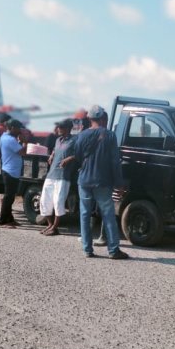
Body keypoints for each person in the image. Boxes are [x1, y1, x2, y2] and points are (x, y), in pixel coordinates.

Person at [73, 105, 128, 259]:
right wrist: (119, 183)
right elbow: (115, 162)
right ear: (103, 118)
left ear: (89, 119)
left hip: (84, 180)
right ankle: (113, 250)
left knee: (84, 214)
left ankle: (87, 249)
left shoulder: (81, 135)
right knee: (108, 215)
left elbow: (77, 157)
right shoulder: (110, 135)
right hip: (102, 182)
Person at [40, 119, 76, 236]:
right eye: (59, 127)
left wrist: (69, 159)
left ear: (68, 128)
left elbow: (80, 153)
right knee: (45, 200)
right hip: (51, 174)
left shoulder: (74, 140)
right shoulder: (57, 140)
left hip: (63, 176)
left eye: (61, 127)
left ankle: (55, 227)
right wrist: (52, 155)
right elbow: (56, 149)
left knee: (58, 202)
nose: (58, 129)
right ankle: (50, 225)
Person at [0, 119, 26, 228]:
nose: (20, 130)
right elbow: (23, 152)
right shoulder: (10, 139)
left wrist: (20, 142)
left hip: (11, 170)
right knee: (8, 197)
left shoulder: (5, 137)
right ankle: (3, 221)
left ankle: (9, 218)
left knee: (10, 197)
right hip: (10, 171)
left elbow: (16, 151)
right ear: (12, 127)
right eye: (18, 128)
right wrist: (25, 142)